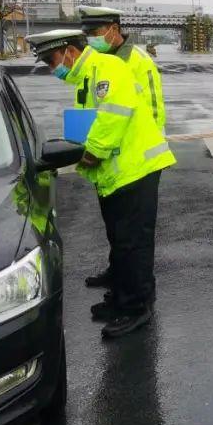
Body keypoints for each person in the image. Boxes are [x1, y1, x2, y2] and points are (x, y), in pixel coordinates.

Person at [26, 29, 176, 337]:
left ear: (69, 52)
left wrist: (92, 153)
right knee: (120, 241)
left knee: (133, 243)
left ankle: (137, 307)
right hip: (114, 173)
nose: (53, 69)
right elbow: (88, 122)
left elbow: (113, 115)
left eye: (53, 60)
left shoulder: (108, 68)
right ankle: (121, 298)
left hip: (136, 169)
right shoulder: (85, 77)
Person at [78, 5, 168, 292]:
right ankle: (118, 272)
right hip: (107, 159)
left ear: (114, 29)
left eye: (95, 32)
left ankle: (140, 290)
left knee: (135, 234)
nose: (91, 38)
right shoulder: (97, 62)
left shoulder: (138, 61)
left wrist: (145, 154)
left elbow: (154, 111)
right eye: (88, 33)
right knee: (116, 228)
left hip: (137, 160)